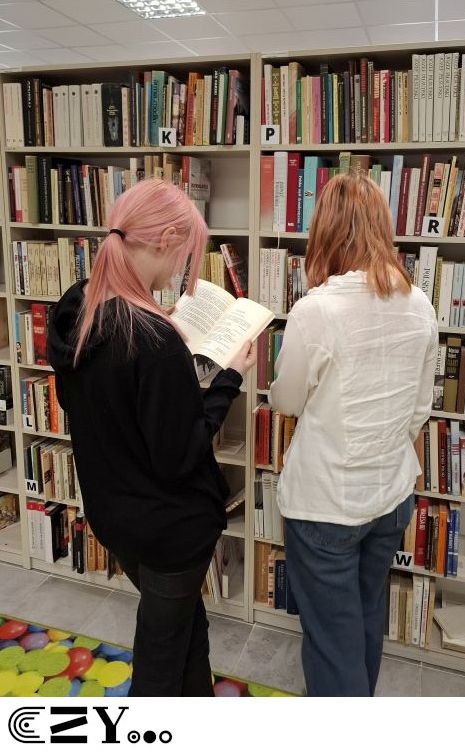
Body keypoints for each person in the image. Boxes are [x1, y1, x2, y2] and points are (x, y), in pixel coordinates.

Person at [48, 178, 256, 696]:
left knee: (187, 633)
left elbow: (85, 406)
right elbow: (179, 455)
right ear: (165, 240)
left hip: (116, 517)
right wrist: (228, 378)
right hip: (168, 532)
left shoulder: (77, 309)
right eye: (184, 256)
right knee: (161, 664)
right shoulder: (152, 339)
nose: (180, 272)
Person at [269, 173, 438, 697]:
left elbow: (286, 401)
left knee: (330, 642)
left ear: (326, 230)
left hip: (327, 503)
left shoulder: (316, 309)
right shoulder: (421, 304)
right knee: (365, 619)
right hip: (390, 496)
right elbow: (419, 411)